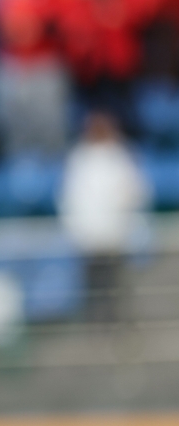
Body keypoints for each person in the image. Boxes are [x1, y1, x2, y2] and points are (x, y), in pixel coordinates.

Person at [59, 111, 149, 322]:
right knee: (94, 289)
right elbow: (70, 200)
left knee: (117, 287)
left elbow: (134, 193)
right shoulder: (79, 159)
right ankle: (96, 325)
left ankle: (118, 325)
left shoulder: (121, 157)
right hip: (89, 241)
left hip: (116, 239)